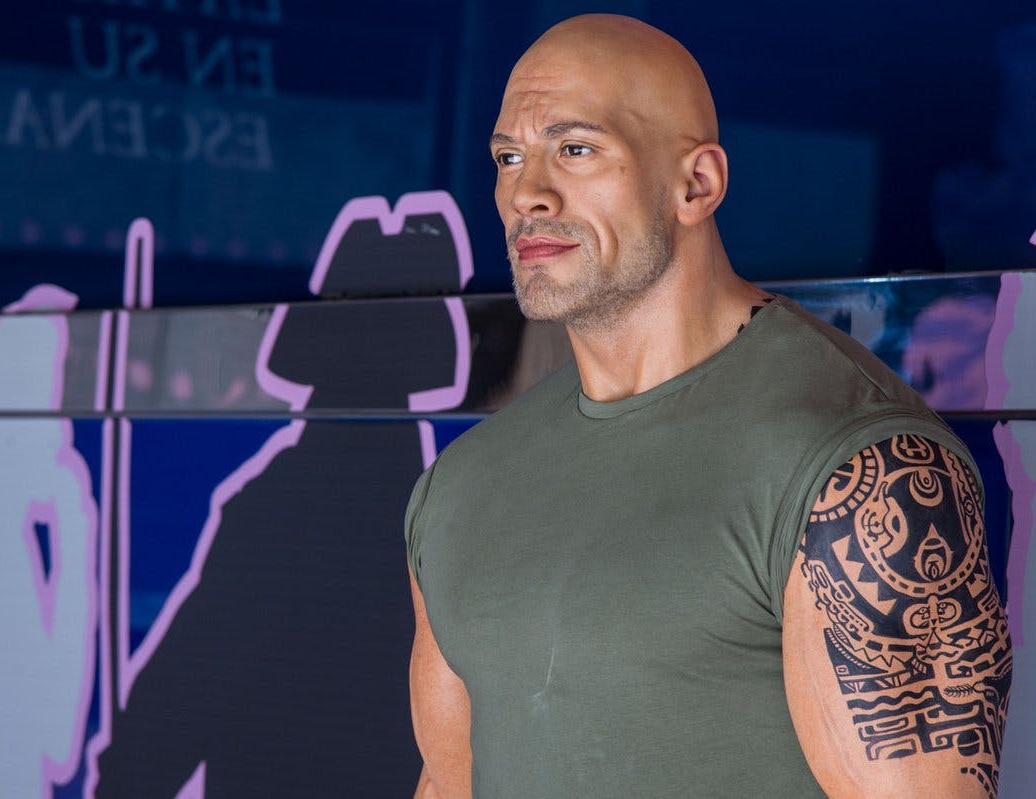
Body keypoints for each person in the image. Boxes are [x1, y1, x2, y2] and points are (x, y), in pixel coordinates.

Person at [404, 14, 1011, 798]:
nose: (527, 193)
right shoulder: (460, 486)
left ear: (697, 184)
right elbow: (447, 781)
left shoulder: (862, 471)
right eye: (509, 157)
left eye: (576, 149)